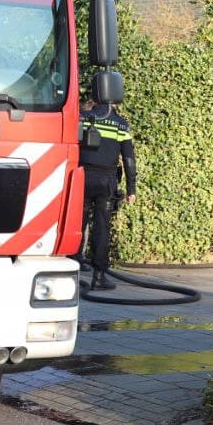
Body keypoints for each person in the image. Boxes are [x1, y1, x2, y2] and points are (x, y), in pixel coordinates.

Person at [77, 86, 137, 291]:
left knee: (78, 222)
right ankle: (99, 275)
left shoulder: (83, 118)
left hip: (82, 176)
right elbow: (129, 159)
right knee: (102, 226)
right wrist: (131, 189)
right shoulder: (121, 124)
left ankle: (71, 268)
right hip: (106, 181)